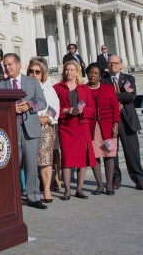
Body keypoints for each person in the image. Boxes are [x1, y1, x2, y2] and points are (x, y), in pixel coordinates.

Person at [0, 53, 48, 209]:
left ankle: (33, 196)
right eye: (5, 65)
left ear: (19, 64)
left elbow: (42, 102)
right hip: (11, 129)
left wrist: (30, 105)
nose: (7, 68)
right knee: (12, 165)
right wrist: (11, 108)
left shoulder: (32, 82)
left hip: (30, 128)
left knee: (31, 164)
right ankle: (12, 196)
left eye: (10, 64)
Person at [102, 54, 143, 190]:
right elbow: (102, 97)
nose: (113, 65)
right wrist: (120, 96)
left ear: (121, 64)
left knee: (132, 151)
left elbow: (131, 96)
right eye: (110, 63)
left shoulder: (128, 79)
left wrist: (112, 95)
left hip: (127, 119)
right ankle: (115, 179)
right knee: (111, 152)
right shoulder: (103, 80)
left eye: (116, 63)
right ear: (107, 65)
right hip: (110, 120)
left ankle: (138, 179)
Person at [53, 60, 96, 200]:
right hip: (65, 126)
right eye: (67, 70)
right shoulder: (57, 88)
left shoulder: (85, 89)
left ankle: (79, 189)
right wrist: (66, 110)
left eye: (72, 70)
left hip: (81, 126)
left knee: (82, 159)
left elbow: (91, 109)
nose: (69, 72)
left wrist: (81, 111)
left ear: (77, 72)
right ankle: (67, 191)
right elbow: (52, 108)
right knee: (67, 158)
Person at [26, 58, 60, 203]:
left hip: (45, 127)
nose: (34, 74)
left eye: (37, 72)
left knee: (45, 160)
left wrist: (47, 118)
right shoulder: (24, 88)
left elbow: (54, 107)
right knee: (31, 159)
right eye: (31, 71)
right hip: (28, 127)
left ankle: (46, 189)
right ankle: (32, 188)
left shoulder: (48, 88)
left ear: (42, 74)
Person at [85, 63, 120, 196]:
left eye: (95, 73)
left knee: (108, 155)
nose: (92, 75)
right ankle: (99, 185)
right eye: (90, 72)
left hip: (108, 128)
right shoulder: (83, 89)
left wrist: (116, 125)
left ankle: (109, 184)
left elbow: (115, 108)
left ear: (100, 76)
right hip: (91, 128)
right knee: (95, 156)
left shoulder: (108, 88)